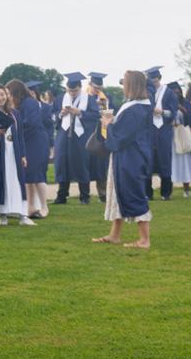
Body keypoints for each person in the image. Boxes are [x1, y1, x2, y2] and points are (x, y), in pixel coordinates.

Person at [93, 71, 154, 248]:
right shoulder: (134, 105)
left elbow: (121, 137)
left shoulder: (136, 109)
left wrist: (108, 124)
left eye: (125, 83)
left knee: (133, 192)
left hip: (131, 158)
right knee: (118, 192)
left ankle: (144, 240)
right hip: (126, 156)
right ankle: (114, 235)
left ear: (132, 85)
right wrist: (110, 121)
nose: (123, 87)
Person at [0, 85, 32, 226]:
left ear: (6, 95)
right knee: (2, 182)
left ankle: (23, 216)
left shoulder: (15, 114)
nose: (0, 98)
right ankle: (3, 215)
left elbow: (20, 136)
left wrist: (23, 155)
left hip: (14, 152)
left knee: (16, 182)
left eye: (2, 94)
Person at [53, 72, 100, 205]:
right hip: (64, 135)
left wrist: (80, 113)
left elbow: (96, 116)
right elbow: (52, 115)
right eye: (69, 90)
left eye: (74, 91)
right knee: (62, 163)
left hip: (81, 137)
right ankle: (61, 196)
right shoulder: (60, 98)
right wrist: (61, 114)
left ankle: (84, 196)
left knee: (81, 164)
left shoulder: (89, 99)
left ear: (80, 88)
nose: (72, 93)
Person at [8, 79, 50, 219]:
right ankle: (30, 207)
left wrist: (14, 130)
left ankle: (44, 207)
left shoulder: (30, 102)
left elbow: (30, 122)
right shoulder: (19, 105)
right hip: (27, 141)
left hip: (36, 141)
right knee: (28, 176)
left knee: (37, 175)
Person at [145, 67, 178, 201]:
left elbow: (173, 112)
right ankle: (148, 193)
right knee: (148, 160)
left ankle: (166, 193)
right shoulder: (146, 93)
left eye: (154, 79)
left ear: (159, 78)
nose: (153, 82)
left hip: (164, 129)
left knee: (165, 159)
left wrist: (162, 112)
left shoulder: (169, 93)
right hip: (150, 130)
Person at [86, 73, 114, 202]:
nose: (97, 90)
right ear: (90, 84)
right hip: (85, 134)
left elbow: (107, 116)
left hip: (100, 135)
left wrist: (101, 107)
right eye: (95, 87)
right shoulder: (83, 96)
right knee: (86, 164)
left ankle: (103, 194)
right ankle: (84, 194)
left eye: (99, 87)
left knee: (101, 166)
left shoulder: (104, 99)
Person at [168, 82, 191, 196]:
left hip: (182, 136)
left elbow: (190, 118)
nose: (177, 92)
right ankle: (167, 191)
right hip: (170, 137)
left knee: (185, 162)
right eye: (174, 91)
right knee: (170, 163)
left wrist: (182, 109)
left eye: (178, 90)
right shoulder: (167, 104)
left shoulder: (186, 103)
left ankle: (186, 188)